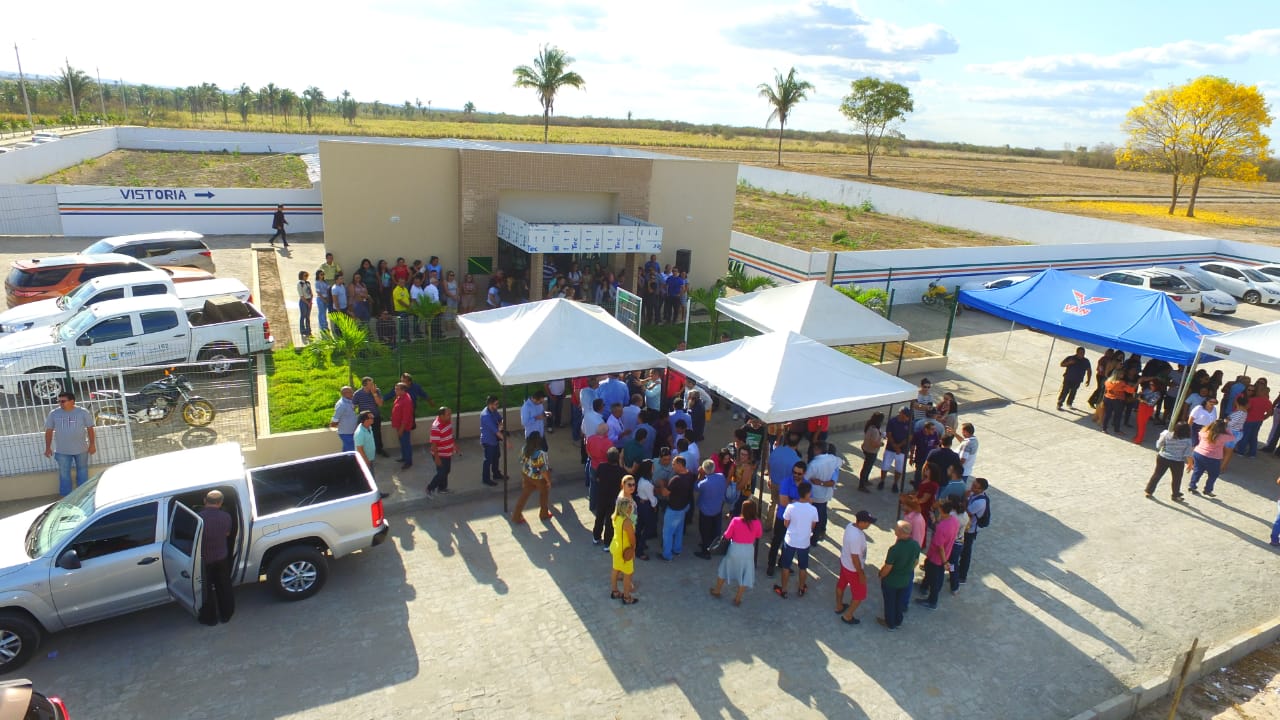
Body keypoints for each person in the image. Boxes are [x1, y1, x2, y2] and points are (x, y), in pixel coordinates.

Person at [710, 498, 763, 606]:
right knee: (745, 574)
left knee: (724, 569)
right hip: (748, 551)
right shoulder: (757, 523)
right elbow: (759, 535)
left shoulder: (735, 521)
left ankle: (717, 590)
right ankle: (738, 598)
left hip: (735, 548)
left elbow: (727, 535)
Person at [44, 391, 96, 496]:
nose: (60, 403)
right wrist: (47, 448)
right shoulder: (54, 413)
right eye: (59, 401)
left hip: (81, 449)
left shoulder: (83, 412)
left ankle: (83, 495)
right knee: (64, 475)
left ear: (72, 401)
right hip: (62, 451)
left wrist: (92, 444)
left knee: (82, 472)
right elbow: (49, 431)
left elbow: (90, 428)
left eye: (63, 401)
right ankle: (66, 497)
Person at [772, 481, 818, 600]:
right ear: (809, 494)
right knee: (803, 567)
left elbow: (786, 523)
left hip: (791, 540)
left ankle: (784, 589)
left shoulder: (791, 507)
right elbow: (813, 526)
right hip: (804, 542)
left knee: (786, 566)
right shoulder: (813, 510)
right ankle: (801, 587)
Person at [198, 489, 235, 625]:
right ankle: (226, 615)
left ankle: (210, 619)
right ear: (220, 503)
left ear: (205, 501)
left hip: (204, 559)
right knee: (224, 586)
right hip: (222, 557)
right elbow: (226, 534)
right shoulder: (226, 517)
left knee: (206, 590)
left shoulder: (198, 517)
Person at [877, 521, 920, 631]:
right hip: (905, 580)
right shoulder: (915, 545)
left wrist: (881, 574)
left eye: (896, 528)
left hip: (891, 581)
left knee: (890, 602)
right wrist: (907, 570)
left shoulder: (894, 549)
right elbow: (916, 561)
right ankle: (898, 621)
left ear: (900, 533)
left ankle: (890, 624)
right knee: (899, 602)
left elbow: (887, 568)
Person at [918, 498, 960, 609]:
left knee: (935, 579)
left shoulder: (941, 527)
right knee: (929, 569)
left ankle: (932, 601)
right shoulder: (954, 520)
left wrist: (944, 561)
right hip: (945, 554)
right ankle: (924, 586)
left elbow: (940, 547)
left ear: (941, 510)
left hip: (937, 558)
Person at [836, 510, 876, 625]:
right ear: (861, 522)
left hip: (844, 562)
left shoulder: (850, 526)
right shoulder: (856, 537)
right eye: (868, 522)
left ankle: (839, 606)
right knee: (860, 594)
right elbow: (855, 558)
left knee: (841, 584)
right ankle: (848, 616)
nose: (870, 524)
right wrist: (861, 574)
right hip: (853, 569)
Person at [951, 478, 989, 591]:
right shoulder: (975, 495)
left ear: (981, 489)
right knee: (962, 551)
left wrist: (965, 498)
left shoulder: (980, 502)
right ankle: (957, 573)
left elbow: (966, 512)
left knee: (965, 553)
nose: (972, 487)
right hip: (967, 528)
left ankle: (962, 576)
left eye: (975, 486)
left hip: (970, 530)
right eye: (973, 484)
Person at [659, 456, 695, 561]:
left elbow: (665, 493)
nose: (672, 466)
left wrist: (661, 485)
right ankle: (677, 550)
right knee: (679, 530)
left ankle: (667, 555)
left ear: (680, 465)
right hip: (683, 508)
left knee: (667, 533)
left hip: (673, 509)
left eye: (674, 464)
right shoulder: (690, 475)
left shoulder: (676, 479)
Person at [512, 432, 553, 524]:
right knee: (543, 495)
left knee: (524, 495)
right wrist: (548, 481)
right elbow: (544, 470)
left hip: (526, 474)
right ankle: (543, 514)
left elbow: (521, 461)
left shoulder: (524, 448)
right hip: (538, 478)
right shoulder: (541, 454)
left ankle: (516, 516)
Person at [1146, 422, 1193, 501]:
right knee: (1177, 479)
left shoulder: (1167, 434)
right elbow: (1188, 454)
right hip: (1177, 461)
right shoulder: (1188, 441)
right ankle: (1175, 495)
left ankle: (1149, 491)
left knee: (1157, 475)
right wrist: (1190, 464)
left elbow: (1158, 445)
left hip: (1163, 457)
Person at [804, 443, 841, 543]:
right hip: (826, 495)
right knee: (822, 513)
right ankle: (818, 534)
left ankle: (814, 536)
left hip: (815, 495)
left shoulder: (814, 464)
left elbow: (805, 479)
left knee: (815, 516)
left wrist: (819, 482)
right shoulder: (834, 460)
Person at [694, 459, 727, 559]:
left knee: (704, 531)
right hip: (717, 508)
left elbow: (696, 487)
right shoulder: (721, 477)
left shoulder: (704, 483)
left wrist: (700, 475)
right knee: (714, 530)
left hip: (706, 511)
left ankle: (705, 552)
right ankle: (713, 546)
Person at [593, 447, 626, 548]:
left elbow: (597, 479)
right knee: (610, 521)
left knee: (599, 517)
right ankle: (607, 543)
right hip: (613, 499)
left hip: (602, 496)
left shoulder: (601, 466)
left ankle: (596, 537)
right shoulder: (621, 471)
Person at [609, 494, 639, 605]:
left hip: (616, 547)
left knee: (615, 569)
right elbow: (632, 539)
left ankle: (615, 591)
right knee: (628, 574)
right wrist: (633, 549)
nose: (631, 509)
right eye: (630, 507)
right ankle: (626, 597)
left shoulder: (615, 517)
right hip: (624, 550)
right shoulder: (627, 522)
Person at [1188, 419, 1231, 497]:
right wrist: (1227, 428)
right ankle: (1208, 490)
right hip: (1213, 457)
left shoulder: (1204, 432)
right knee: (1213, 474)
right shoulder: (1223, 436)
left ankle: (1192, 485)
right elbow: (1232, 437)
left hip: (1199, 453)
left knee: (1197, 471)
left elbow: (1199, 436)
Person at [352, 377, 387, 459]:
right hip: (364, 419)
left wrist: (374, 394)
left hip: (375, 417)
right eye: (371, 384)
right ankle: (364, 453)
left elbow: (380, 404)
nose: (373, 385)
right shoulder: (357, 394)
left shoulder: (376, 391)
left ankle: (379, 450)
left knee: (377, 434)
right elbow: (353, 405)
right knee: (364, 435)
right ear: (365, 385)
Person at [880, 407, 912, 492]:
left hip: (902, 450)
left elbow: (910, 436)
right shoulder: (892, 421)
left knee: (899, 468)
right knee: (885, 466)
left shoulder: (910, 423)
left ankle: (895, 483)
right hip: (890, 448)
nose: (907, 418)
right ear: (901, 413)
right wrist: (895, 446)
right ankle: (882, 481)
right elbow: (889, 434)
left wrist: (899, 446)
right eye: (905, 415)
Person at [426, 407, 455, 498]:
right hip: (440, 454)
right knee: (441, 473)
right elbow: (434, 445)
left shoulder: (447, 422)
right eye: (448, 415)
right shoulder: (436, 427)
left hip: (447, 453)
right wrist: (437, 458)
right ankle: (429, 488)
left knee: (446, 471)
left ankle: (442, 488)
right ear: (441, 416)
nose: (450, 417)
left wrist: (454, 445)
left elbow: (449, 434)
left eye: (450, 414)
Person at [480, 395, 505, 487]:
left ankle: (496, 474)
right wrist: (506, 441)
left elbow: (500, 418)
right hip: (488, 440)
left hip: (494, 440)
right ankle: (486, 479)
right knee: (488, 460)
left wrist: (501, 423)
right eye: (496, 404)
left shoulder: (494, 411)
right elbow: (496, 431)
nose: (497, 405)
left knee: (496, 456)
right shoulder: (486, 416)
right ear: (490, 404)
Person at [391, 382, 415, 470]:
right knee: (402, 443)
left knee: (406, 444)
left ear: (403, 390)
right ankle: (404, 457)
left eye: (397, 389)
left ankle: (408, 462)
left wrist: (401, 429)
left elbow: (406, 417)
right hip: (399, 426)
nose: (395, 390)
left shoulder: (406, 400)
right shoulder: (400, 397)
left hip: (403, 427)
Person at [329, 385, 358, 453]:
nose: (352, 393)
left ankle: (344, 461)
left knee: (346, 449)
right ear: (344, 394)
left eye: (352, 391)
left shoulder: (349, 401)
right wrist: (333, 425)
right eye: (350, 392)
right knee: (351, 451)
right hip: (346, 433)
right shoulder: (341, 405)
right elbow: (335, 418)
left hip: (351, 431)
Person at [297, 270, 313, 341]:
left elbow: (311, 292)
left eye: (307, 275)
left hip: (309, 300)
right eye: (305, 275)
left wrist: (311, 301)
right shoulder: (300, 284)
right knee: (303, 315)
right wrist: (307, 303)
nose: (306, 277)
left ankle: (308, 330)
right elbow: (301, 296)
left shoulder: (308, 283)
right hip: (304, 301)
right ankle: (302, 330)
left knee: (308, 316)